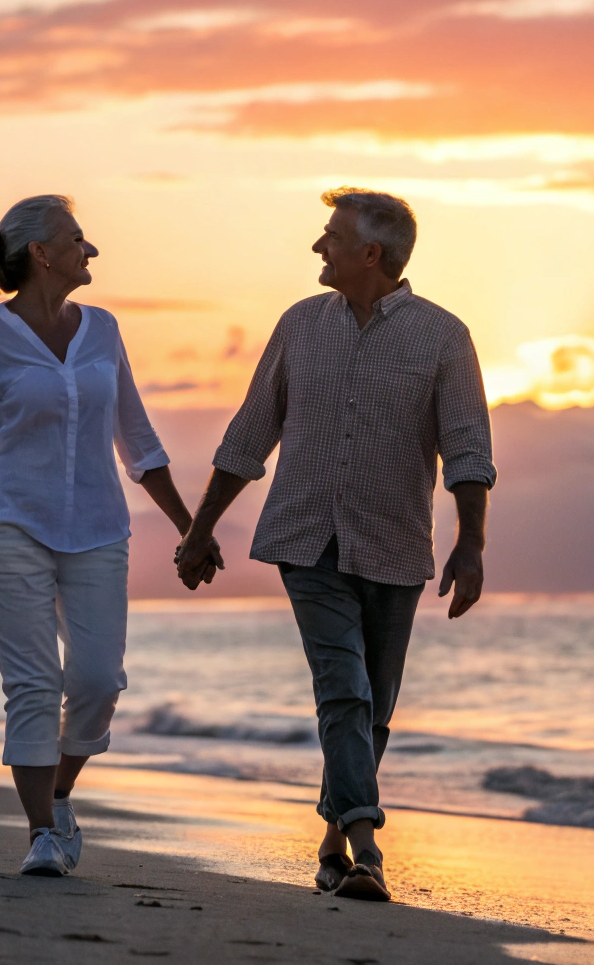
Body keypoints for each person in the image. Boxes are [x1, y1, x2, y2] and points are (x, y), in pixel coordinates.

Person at [174, 187, 495, 902]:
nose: (319, 247)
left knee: (373, 705)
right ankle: (369, 847)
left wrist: (471, 544)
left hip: (396, 542)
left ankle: (331, 840)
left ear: (370, 254)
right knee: (342, 688)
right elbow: (250, 433)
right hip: (306, 536)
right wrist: (199, 529)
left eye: (331, 236)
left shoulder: (443, 337)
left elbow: (469, 450)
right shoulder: (299, 326)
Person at [0, 194, 217, 877]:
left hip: (95, 527)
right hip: (4, 523)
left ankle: (57, 797)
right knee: (33, 683)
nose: (90, 250)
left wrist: (192, 528)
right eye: (78, 238)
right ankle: (40, 837)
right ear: (42, 253)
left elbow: (139, 443)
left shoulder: (104, 331)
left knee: (96, 680)